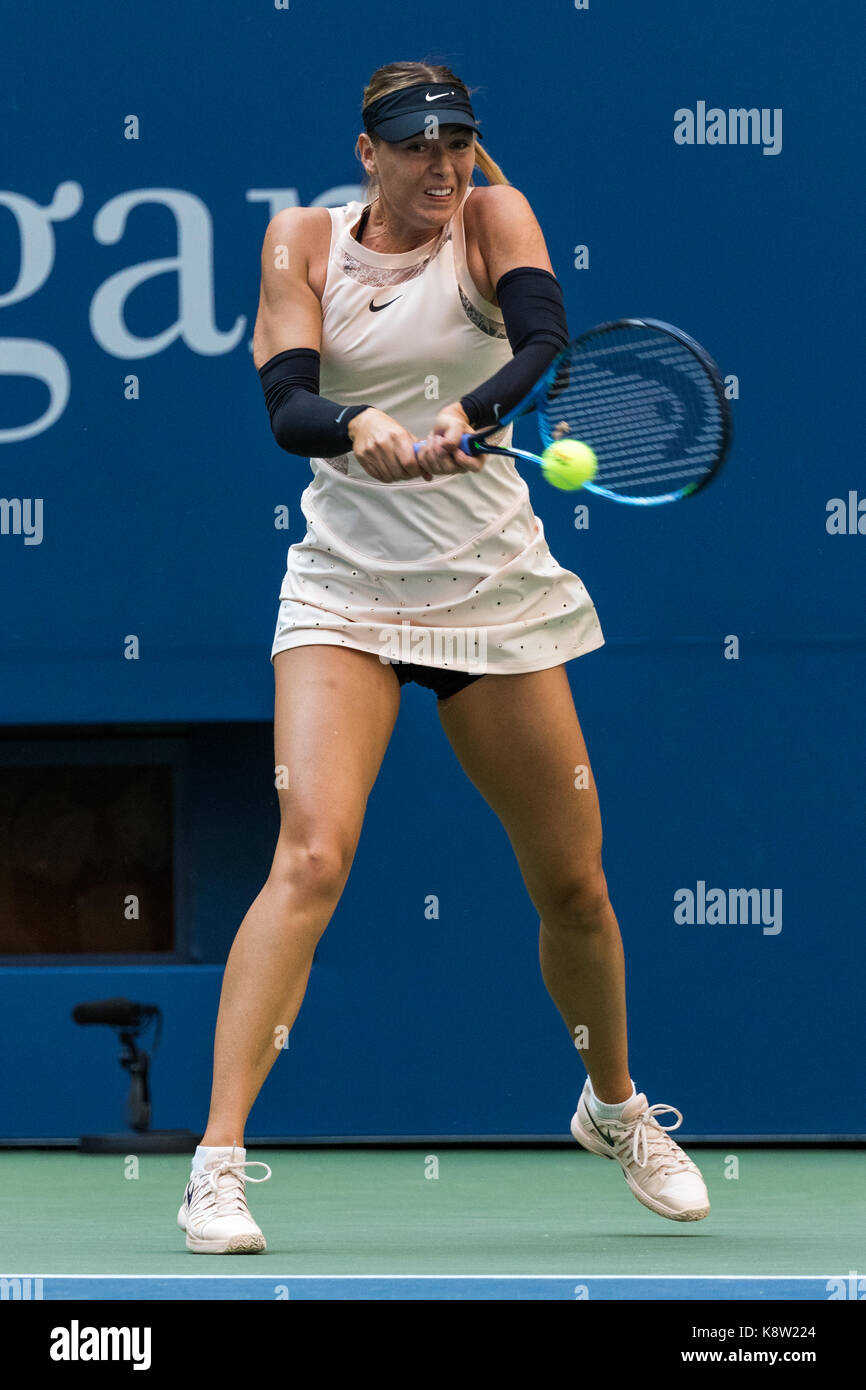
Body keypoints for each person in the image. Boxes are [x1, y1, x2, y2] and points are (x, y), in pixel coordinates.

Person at [177, 60, 709, 1254]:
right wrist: (356, 425)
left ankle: (612, 1107)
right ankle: (215, 1162)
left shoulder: (491, 215)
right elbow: (284, 403)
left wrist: (468, 418)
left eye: (455, 142)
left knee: (572, 883)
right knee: (310, 852)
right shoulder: (299, 242)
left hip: (493, 595)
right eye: (414, 146)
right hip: (345, 595)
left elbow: (541, 341)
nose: (439, 166)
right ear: (366, 153)